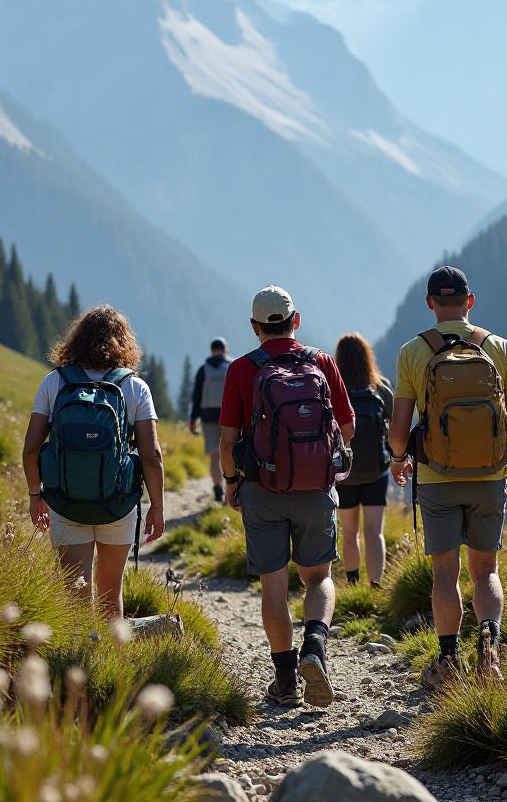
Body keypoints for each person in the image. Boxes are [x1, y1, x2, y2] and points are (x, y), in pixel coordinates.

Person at [389, 265, 507, 686]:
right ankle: (489, 646)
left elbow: (399, 430)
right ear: (470, 301)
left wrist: (399, 459)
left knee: (444, 574)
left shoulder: (412, 353)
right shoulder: (500, 348)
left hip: (437, 478)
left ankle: (447, 662)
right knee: (485, 572)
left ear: (430, 303)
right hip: (490, 477)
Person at [220, 286, 355, 709]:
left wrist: (231, 481)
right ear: (296, 321)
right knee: (318, 577)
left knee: (273, 586)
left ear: (255, 327)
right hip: (316, 489)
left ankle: (285, 681)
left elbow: (228, 440)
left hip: (262, 487)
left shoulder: (243, 369)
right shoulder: (322, 363)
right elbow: (347, 428)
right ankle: (314, 648)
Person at [21, 305, 165, 619]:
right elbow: (152, 456)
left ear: (77, 339)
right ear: (124, 342)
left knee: (74, 591)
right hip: (117, 502)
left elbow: (31, 448)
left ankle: (78, 664)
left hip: (66, 501)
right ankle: (111, 662)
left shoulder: (54, 382)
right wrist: (157, 506)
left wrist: (36, 496)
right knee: (111, 593)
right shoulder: (135, 387)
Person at [335, 333, 394, 589]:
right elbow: (394, 427)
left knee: (349, 532)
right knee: (374, 532)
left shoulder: (333, 389)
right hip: (375, 472)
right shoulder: (381, 388)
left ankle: (351, 584)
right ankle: (376, 585)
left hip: (344, 473)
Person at [190, 337, 233, 502]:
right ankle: (232, 487)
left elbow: (196, 396)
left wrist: (193, 418)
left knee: (215, 455)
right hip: (229, 416)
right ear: (225, 349)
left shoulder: (203, 369)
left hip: (207, 416)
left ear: (211, 350)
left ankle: (217, 488)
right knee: (230, 452)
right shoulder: (231, 366)